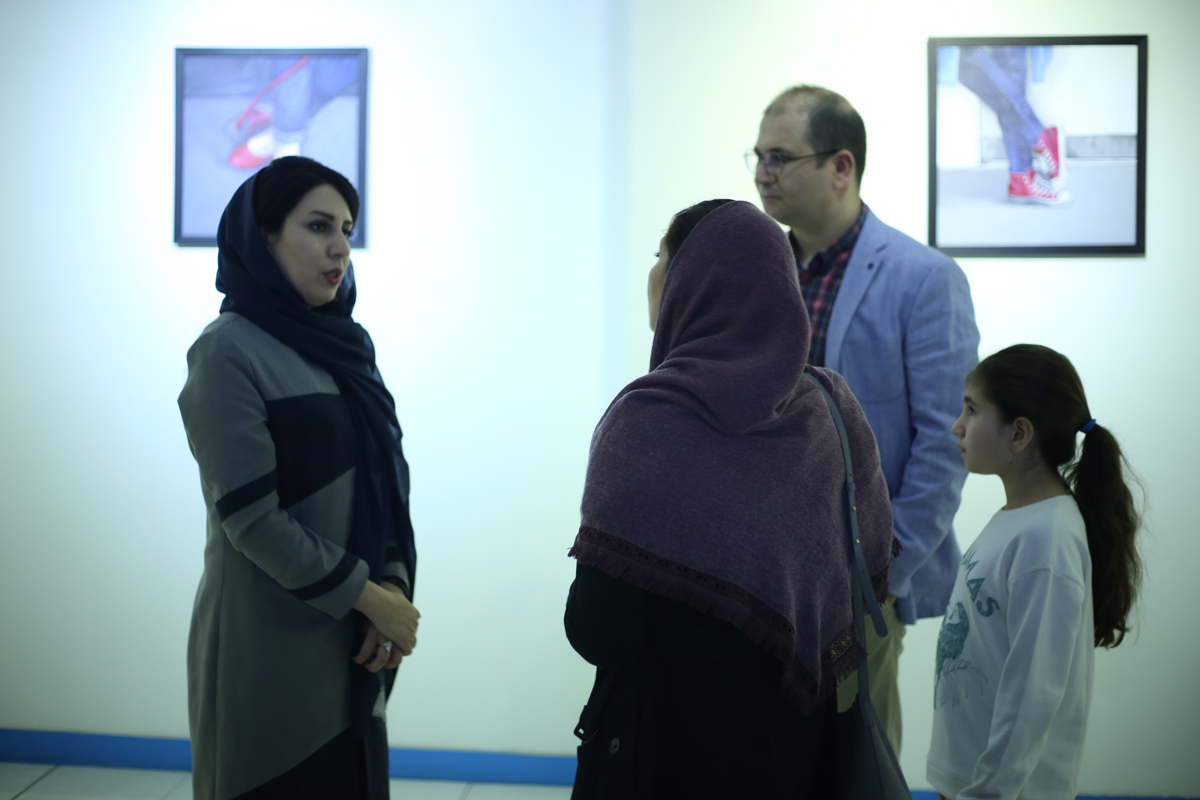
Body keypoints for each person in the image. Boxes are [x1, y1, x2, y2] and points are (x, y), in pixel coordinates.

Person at [564, 199, 897, 797]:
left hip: (662, 756)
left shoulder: (647, 420)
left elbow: (601, 631)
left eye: (660, 258)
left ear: (691, 281)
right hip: (794, 755)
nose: (651, 275)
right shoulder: (831, 411)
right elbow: (855, 593)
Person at [178, 156, 420, 800]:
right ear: (263, 237)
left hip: (351, 642)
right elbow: (253, 521)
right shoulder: (226, 350)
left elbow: (382, 484)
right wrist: (372, 599)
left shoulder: (347, 349)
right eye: (317, 226)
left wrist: (390, 586)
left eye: (345, 229)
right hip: (267, 648)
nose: (339, 246)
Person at [749, 84, 980, 754]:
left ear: (841, 166)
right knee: (764, 758)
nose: (763, 172)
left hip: (859, 577)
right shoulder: (757, 274)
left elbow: (945, 444)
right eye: (758, 156)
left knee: (857, 764)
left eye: (780, 157)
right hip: (760, 570)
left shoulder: (924, 279)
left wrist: (883, 572)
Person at [928, 344, 1142, 799]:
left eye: (972, 410)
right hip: (969, 781)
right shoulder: (1019, 520)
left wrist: (986, 793)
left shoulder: (1047, 539)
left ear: (1020, 433)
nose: (957, 426)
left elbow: (1032, 697)